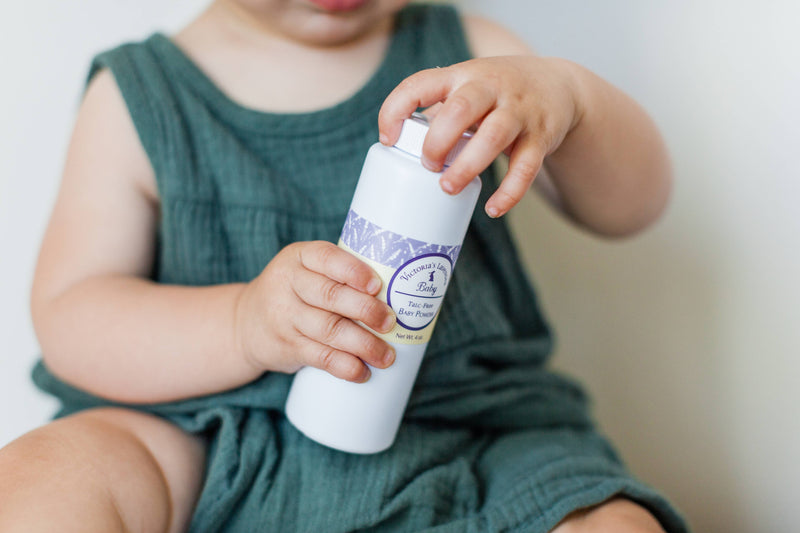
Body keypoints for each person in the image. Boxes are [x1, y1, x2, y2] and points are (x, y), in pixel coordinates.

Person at [0, 0, 688, 531]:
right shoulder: (136, 97)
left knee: (615, 522)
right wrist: (241, 325)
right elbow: (72, 311)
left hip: (467, 428)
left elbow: (633, 206)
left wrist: (569, 100)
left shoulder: (474, 60)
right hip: (209, 436)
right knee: (42, 481)